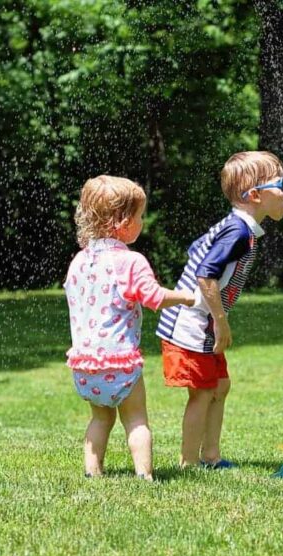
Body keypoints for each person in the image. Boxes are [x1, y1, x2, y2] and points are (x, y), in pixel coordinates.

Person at [156, 151, 283, 468]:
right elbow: (205, 274)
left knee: (220, 386)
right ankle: (189, 463)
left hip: (201, 321)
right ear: (255, 196)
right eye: (281, 184)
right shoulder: (238, 231)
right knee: (202, 393)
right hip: (190, 323)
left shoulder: (238, 227)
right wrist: (221, 320)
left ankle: (211, 457)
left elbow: (197, 249)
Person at [64, 175, 194, 480]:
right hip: (120, 363)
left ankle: (93, 473)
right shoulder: (131, 261)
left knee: (100, 419)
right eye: (140, 216)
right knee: (136, 420)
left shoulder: (79, 261)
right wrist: (186, 297)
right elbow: (154, 297)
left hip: (85, 364)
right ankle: (144, 476)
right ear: (122, 222)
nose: (143, 222)